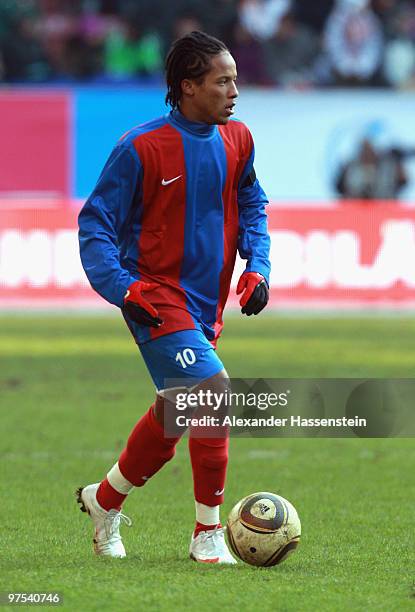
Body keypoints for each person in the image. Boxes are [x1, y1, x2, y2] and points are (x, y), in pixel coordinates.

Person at [77, 30, 271, 564]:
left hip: (205, 304)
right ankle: (208, 535)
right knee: (213, 391)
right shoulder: (140, 147)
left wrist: (257, 266)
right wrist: (122, 288)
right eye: (222, 81)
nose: (234, 91)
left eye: (235, 80)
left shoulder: (239, 140)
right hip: (155, 297)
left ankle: (104, 501)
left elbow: (253, 203)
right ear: (188, 86)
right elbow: (95, 225)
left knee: (176, 413)